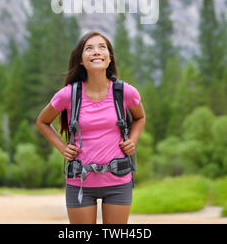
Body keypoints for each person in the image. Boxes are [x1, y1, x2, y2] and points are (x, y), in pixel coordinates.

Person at [36, 30, 146, 224]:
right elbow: (42, 122)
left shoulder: (125, 92)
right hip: (79, 181)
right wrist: (63, 148)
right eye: (89, 48)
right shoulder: (68, 94)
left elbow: (140, 118)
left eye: (102, 47)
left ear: (110, 59)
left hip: (118, 181)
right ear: (80, 60)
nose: (96, 51)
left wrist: (132, 141)